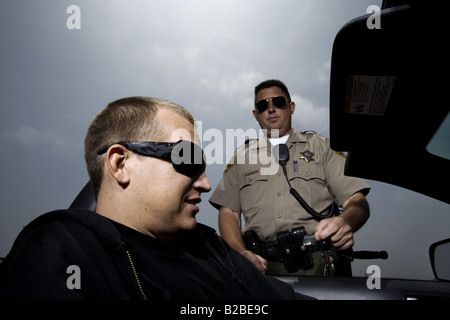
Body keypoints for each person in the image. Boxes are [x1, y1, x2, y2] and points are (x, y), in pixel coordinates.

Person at [0, 96, 309, 300]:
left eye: (202, 167)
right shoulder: (63, 249)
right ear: (121, 164)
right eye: (186, 160)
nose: (204, 183)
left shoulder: (212, 248)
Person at [209, 80, 371, 276]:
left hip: (321, 264)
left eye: (278, 101)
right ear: (256, 114)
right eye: (262, 105)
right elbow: (228, 212)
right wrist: (239, 253)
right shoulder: (241, 156)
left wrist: (346, 221)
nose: (271, 109)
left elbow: (357, 201)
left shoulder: (321, 146)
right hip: (263, 270)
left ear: (291, 107)